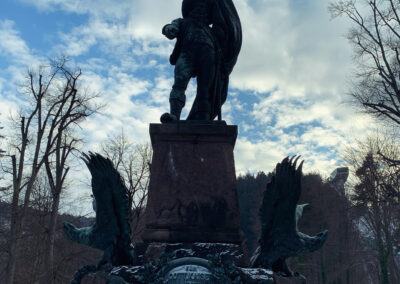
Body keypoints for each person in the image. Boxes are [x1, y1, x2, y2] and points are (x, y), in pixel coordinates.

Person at [160, 0, 242, 123]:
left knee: (205, 89)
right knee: (179, 83)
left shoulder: (211, 32)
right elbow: (171, 27)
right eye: (197, 7)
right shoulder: (183, 22)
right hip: (186, 53)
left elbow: (222, 32)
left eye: (205, 9)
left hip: (208, 55)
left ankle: (203, 119)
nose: (201, 11)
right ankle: (174, 116)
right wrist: (168, 28)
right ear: (190, 8)